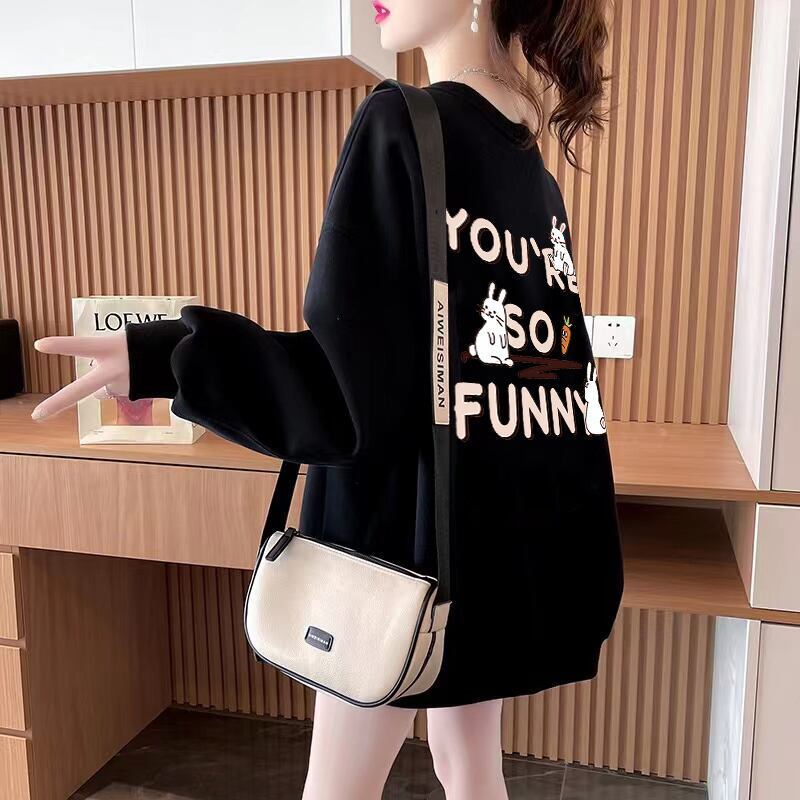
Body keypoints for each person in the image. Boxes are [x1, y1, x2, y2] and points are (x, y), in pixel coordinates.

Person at [31, 0, 624, 797]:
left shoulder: (402, 125)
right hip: (484, 549)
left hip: (391, 553)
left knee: (340, 787)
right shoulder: (529, 167)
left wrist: (169, 356)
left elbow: (347, 396)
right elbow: (543, 380)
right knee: (469, 763)